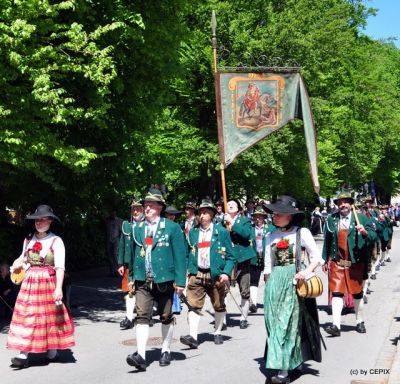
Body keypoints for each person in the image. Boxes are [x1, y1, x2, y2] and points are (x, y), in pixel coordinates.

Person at [262, 196, 324, 384]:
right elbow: (267, 266)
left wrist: (304, 273)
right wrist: (268, 287)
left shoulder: (301, 233)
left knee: (286, 325)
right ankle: (292, 360)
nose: (275, 216)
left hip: (293, 283)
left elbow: (317, 258)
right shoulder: (270, 236)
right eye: (274, 213)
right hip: (274, 284)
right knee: (273, 325)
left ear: (290, 216)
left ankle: (282, 372)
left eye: (279, 213)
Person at [126, 189, 187, 371]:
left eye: (151, 205)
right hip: (142, 280)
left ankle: (166, 350)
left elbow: (179, 255)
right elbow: (133, 255)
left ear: (160, 207)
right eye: (145, 205)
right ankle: (141, 355)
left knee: (166, 316)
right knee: (142, 316)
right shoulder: (137, 229)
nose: (147, 208)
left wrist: (181, 282)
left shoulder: (172, 228)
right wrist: (131, 277)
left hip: (165, 280)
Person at [7, 205, 75, 368]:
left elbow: (60, 267)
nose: (39, 222)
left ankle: (51, 351)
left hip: (48, 283)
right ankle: (23, 355)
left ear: (50, 221)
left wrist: (58, 288)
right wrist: (16, 263)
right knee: (26, 316)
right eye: (37, 219)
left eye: (43, 219)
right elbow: (23, 258)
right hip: (29, 282)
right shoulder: (28, 239)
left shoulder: (56, 241)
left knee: (49, 317)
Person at [180, 199, 235, 348]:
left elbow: (231, 256)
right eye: (200, 212)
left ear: (211, 214)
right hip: (196, 274)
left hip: (216, 275)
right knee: (193, 305)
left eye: (205, 212)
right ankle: (193, 336)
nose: (202, 215)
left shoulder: (221, 232)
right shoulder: (193, 232)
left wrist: (226, 273)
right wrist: (186, 270)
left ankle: (217, 332)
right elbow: (187, 253)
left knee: (218, 305)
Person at [323, 192, 376, 337]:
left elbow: (373, 236)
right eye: (340, 203)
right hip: (337, 262)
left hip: (355, 263)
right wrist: (324, 259)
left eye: (345, 202)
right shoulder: (331, 219)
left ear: (350, 204)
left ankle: (360, 321)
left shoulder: (362, 218)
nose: (342, 205)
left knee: (357, 293)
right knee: (337, 292)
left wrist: (365, 232)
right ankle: (336, 325)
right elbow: (327, 241)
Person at [224, 198, 256, 329]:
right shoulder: (221, 223)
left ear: (238, 208)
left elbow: (248, 234)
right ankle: (222, 319)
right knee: (223, 290)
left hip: (242, 259)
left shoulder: (245, 221)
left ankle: (243, 317)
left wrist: (233, 224)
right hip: (227, 260)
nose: (230, 205)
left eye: (233, 204)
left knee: (244, 290)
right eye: (228, 204)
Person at [118, 198, 144, 330]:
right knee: (129, 291)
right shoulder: (126, 225)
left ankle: (146, 316)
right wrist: (120, 263)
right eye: (133, 208)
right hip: (129, 263)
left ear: (143, 209)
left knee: (145, 290)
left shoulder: (147, 225)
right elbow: (122, 244)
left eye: (138, 208)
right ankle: (129, 318)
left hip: (144, 263)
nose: (135, 211)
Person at [249, 206, 273, 313]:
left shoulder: (271, 229)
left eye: (260, 217)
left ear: (264, 217)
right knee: (253, 280)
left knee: (269, 280)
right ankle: (253, 303)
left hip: (267, 257)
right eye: (256, 217)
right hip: (254, 257)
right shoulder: (250, 229)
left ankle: (269, 301)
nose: (258, 219)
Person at [105, 210, 123, 276]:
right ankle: (112, 270)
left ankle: (118, 270)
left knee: (116, 254)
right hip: (108, 239)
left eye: (113, 212)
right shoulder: (107, 220)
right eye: (111, 213)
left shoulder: (119, 220)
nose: (112, 214)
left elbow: (122, 231)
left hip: (116, 239)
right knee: (110, 255)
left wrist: (121, 240)